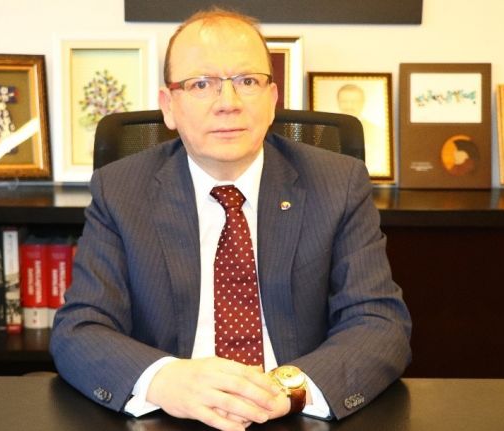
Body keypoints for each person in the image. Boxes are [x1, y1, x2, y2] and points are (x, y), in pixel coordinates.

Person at [50, 8, 411, 431]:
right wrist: (164, 379)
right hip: (168, 416)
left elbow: (379, 323)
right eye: (201, 84)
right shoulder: (121, 190)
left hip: (294, 414)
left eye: (247, 81)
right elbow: (79, 329)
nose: (228, 103)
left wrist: (287, 389)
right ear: (169, 106)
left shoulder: (337, 183)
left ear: (272, 100)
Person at [336, 84, 386, 175]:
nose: (349, 106)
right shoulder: (327, 131)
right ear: (338, 103)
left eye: (354, 102)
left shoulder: (377, 131)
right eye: (344, 101)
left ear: (362, 103)